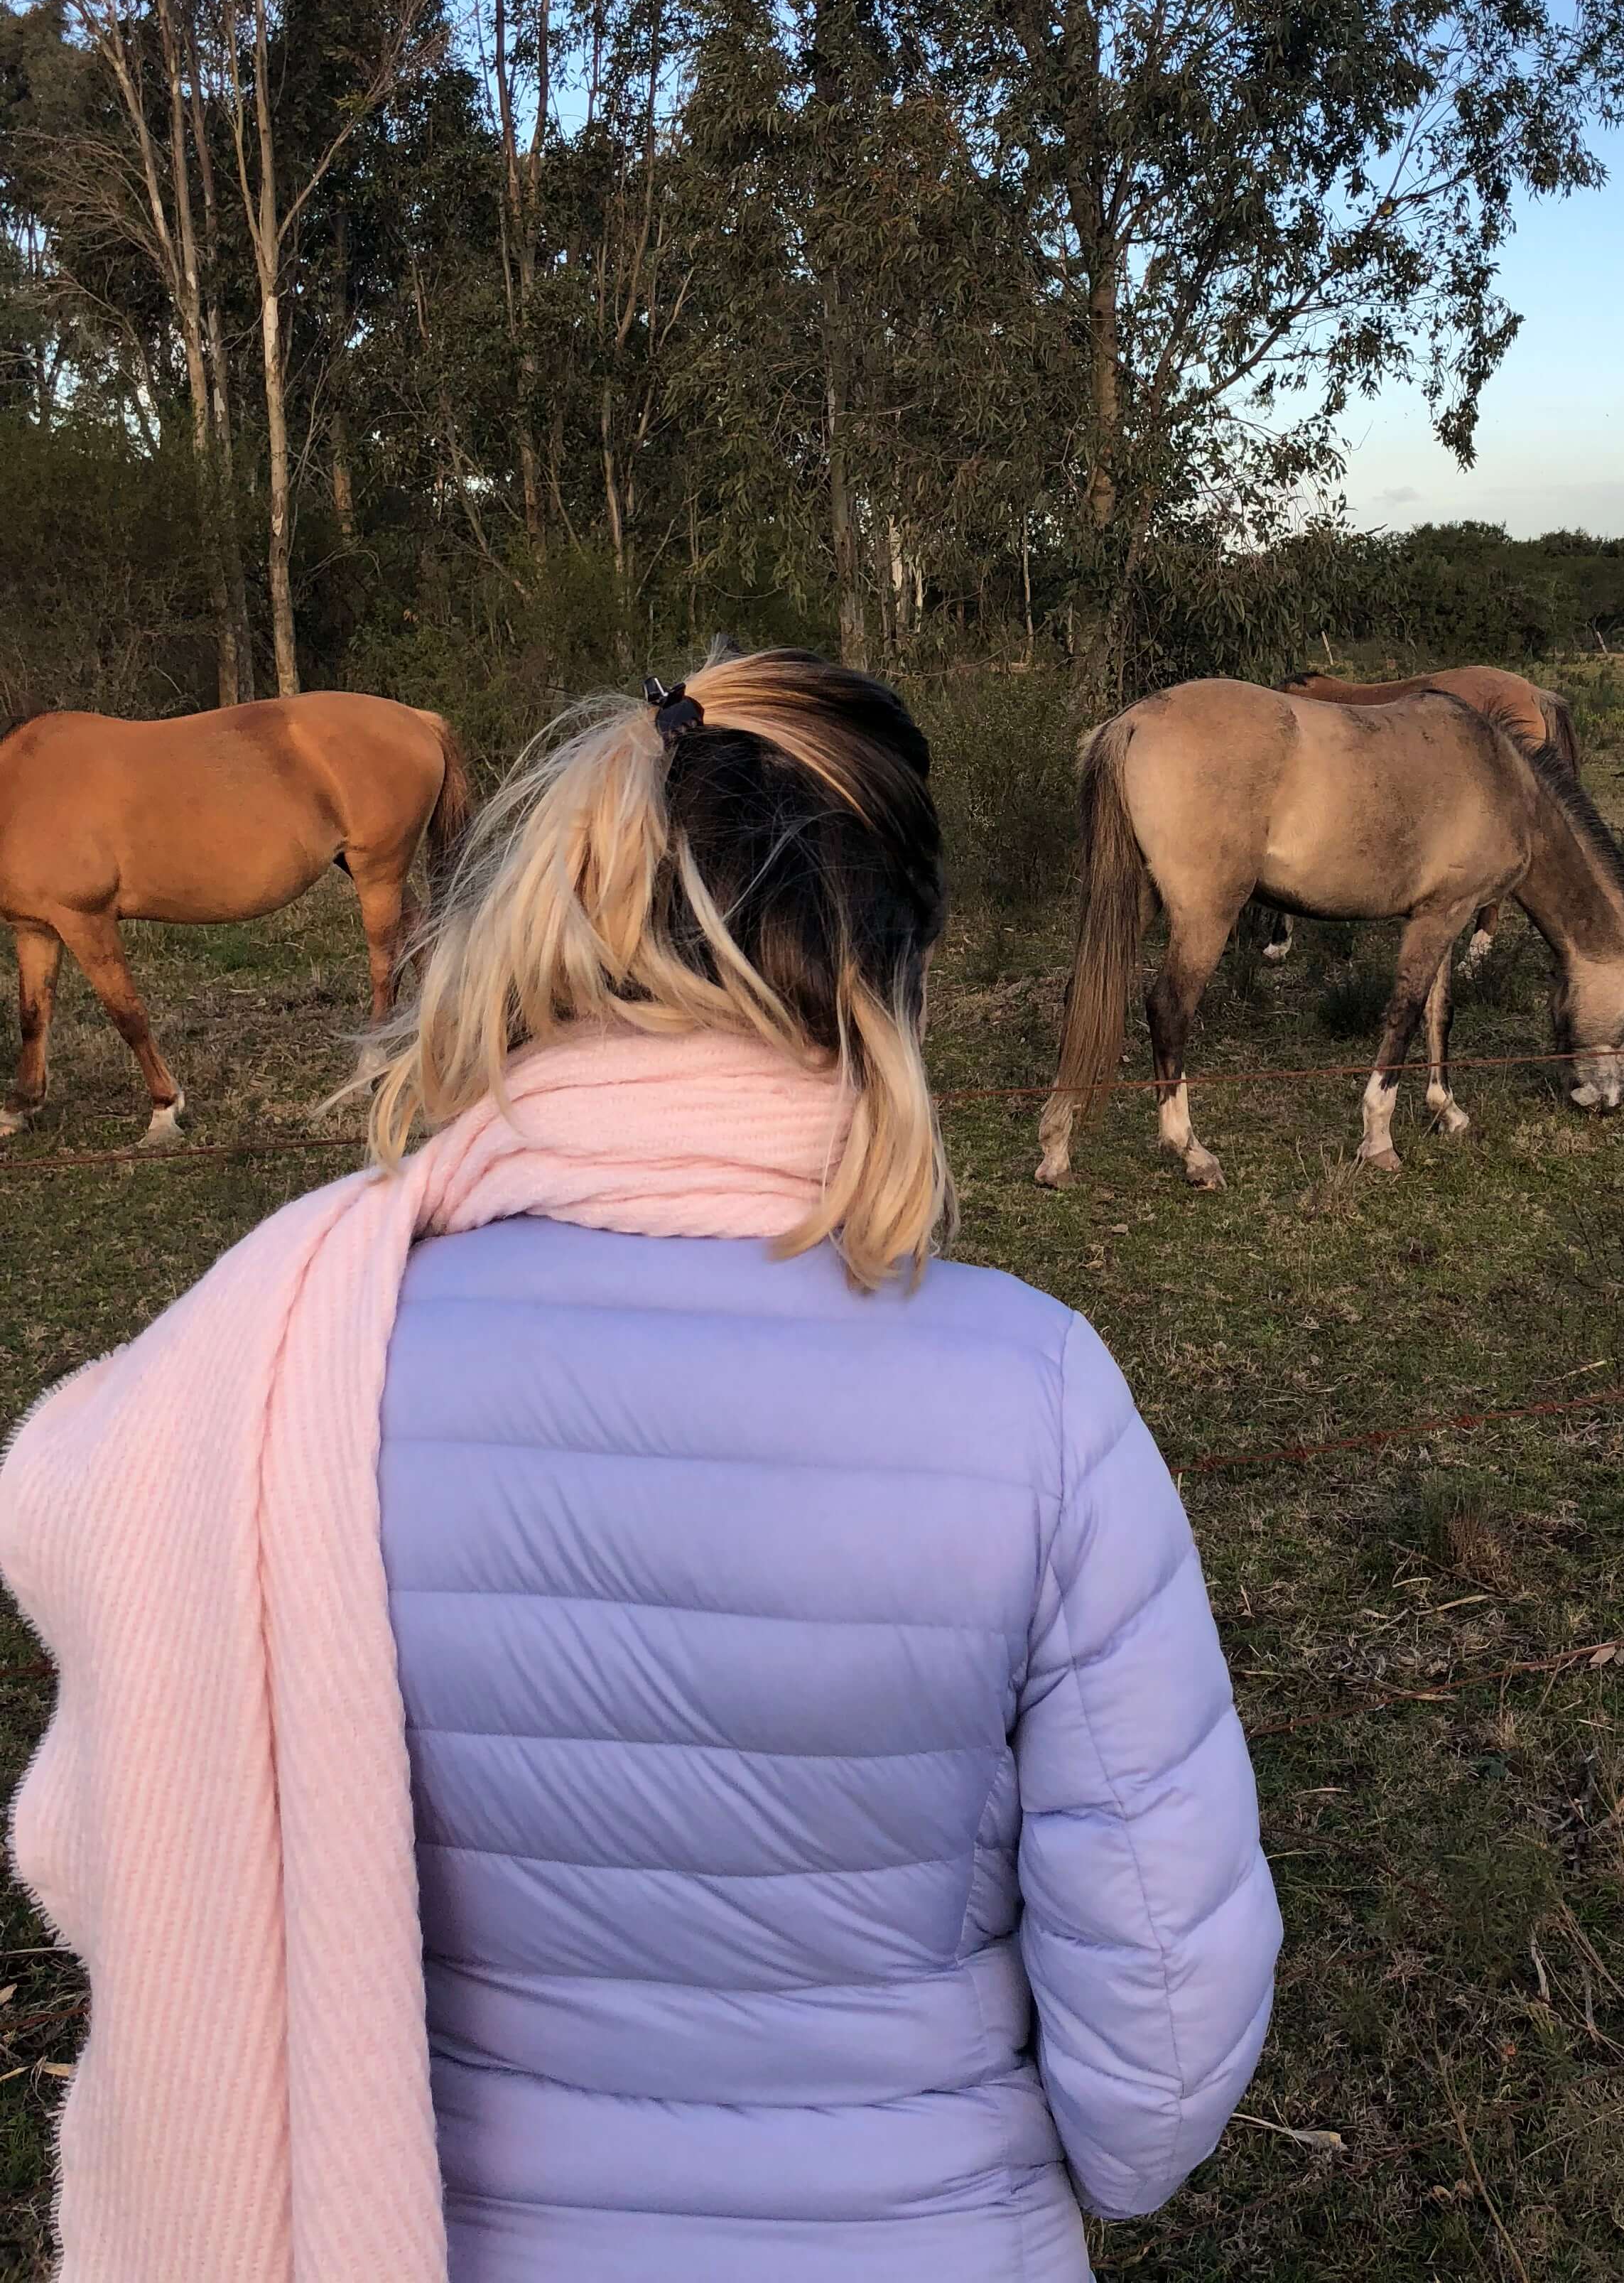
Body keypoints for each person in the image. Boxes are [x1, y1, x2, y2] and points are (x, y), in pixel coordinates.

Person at [0, 647, 1279, 2283]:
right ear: (893, 960)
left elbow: (104, 1846)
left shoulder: (287, 1355)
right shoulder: (1036, 1397)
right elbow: (1157, 2074)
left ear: (543, 923)